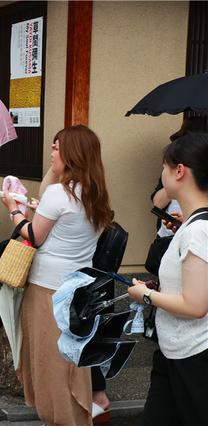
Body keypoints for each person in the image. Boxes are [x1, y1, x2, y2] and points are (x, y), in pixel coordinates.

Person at [0, 125, 113, 425]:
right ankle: (78, 412)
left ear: (70, 154)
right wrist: (54, 169)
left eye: (55, 148)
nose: (51, 153)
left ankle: (62, 419)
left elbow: (34, 236)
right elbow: (48, 199)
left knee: (50, 364)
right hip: (78, 288)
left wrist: (14, 211)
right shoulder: (93, 192)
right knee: (70, 360)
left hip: (47, 289)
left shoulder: (59, 195)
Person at [128, 133, 208, 426]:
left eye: (164, 166)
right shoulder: (192, 225)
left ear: (179, 171)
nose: (161, 174)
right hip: (176, 350)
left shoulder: (198, 230)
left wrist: (145, 296)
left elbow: (196, 305)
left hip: (195, 354)